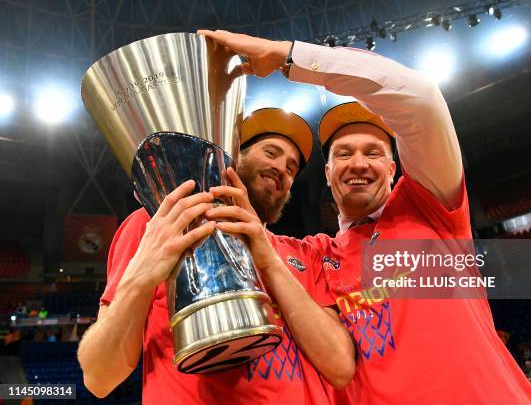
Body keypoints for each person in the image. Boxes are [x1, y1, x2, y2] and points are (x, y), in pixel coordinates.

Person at [201, 29, 531, 403]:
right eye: (344, 154)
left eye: (373, 152)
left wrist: (288, 55)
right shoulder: (316, 257)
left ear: (394, 168)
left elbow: (421, 99)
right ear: (328, 174)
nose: (358, 163)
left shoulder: (429, 207)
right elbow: (251, 235)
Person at [77, 108, 354, 404]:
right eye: (271, 153)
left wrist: (268, 260)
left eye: (291, 167)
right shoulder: (162, 222)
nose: (281, 169)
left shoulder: (303, 252)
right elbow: (99, 378)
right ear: (233, 158)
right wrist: (139, 279)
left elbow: (340, 368)